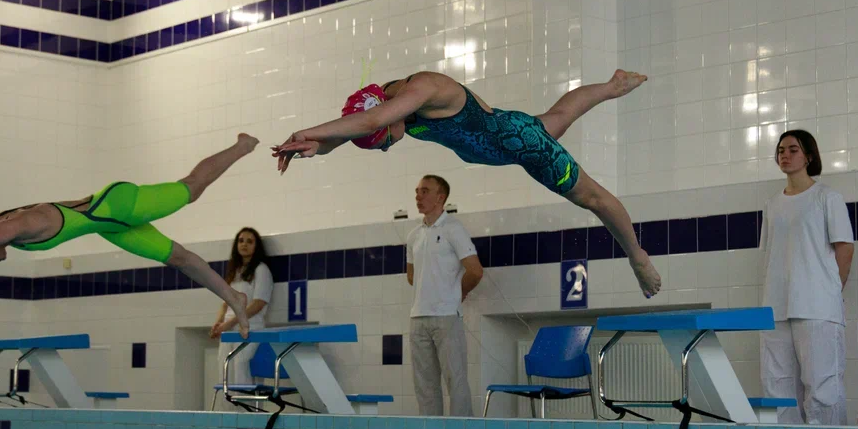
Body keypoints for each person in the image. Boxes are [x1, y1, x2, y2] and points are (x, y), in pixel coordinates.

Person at [271, 70, 662, 298]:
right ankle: (613, 86)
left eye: (385, 141)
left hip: (519, 144)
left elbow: (371, 123)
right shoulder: (386, 101)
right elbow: (362, 126)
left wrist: (307, 130)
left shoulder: (424, 89)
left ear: (389, 118)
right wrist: (317, 146)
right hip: (499, 139)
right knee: (558, 117)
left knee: (592, 198)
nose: (387, 147)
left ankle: (637, 257)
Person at [0, 134, 261, 338]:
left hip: (118, 205)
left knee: (191, 188)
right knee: (180, 259)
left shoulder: (16, 227)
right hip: (111, 227)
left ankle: (242, 145)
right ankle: (234, 298)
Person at [759, 129, 854, 425]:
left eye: (793, 150)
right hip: (776, 307)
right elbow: (770, 255)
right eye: (781, 150)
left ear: (809, 156)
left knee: (822, 387)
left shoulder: (827, 197)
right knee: (777, 388)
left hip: (817, 307)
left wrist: (830, 292)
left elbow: (845, 247)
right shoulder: (772, 205)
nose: (785, 155)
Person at [406, 175, 482, 417]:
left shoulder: (453, 229)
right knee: (425, 386)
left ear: (441, 197)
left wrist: (457, 293)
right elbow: (412, 276)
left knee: (455, 380)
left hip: (447, 316)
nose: (418, 196)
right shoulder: (413, 235)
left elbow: (475, 271)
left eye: (425, 191)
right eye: (417, 191)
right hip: (418, 317)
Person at [211, 227, 274, 382]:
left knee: (241, 370)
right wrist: (219, 323)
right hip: (228, 330)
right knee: (225, 373)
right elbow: (225, 303)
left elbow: (258, 303)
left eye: (249, 241)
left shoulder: (261, 270)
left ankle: (245, 400)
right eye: (241, 241)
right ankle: (227, 400)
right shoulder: (234, 271)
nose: (244, 244)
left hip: (250, 329)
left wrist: (231, 322)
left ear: (256, 246)